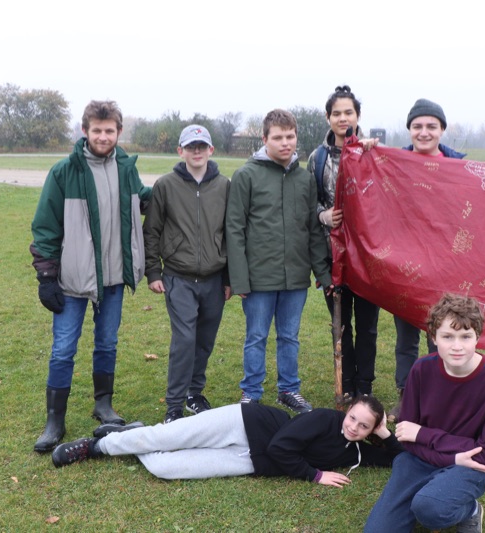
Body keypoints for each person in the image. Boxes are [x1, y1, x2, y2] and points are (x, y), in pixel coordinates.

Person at [29, 100, 152, 453]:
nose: (103, 136)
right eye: (96, 130)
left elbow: (142, 200)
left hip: (112, 278)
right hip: (73, 280)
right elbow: (46, 226)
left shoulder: (126, 168)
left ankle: (104, 405)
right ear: (84, 131)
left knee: (107, 343)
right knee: (63, 348)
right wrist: (46, 277)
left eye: (109, 130)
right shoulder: (64, 172)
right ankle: (55, 420)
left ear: (119, 132)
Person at [364, 293, 485, 533]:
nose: (457, 346)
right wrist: (453, 455)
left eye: (466, 336)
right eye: (447, 336)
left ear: (478, 337)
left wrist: (423, 434)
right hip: (420, 460)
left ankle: (470, 511)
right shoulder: (421, 369)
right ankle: (427, 493)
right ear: (433, 337)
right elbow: (405, 438)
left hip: (470, 466)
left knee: (430, 509)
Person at [226, 109, 332, 413]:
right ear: (265, 139)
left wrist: (322, 272)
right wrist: (239, 278)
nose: (285, 143)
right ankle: (251, 392)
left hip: (295, 277)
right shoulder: (247, 175)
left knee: (290, 337)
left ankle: (289, 388)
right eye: (278, 137)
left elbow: (312, 228)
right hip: (258, 277)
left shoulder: (304, 178)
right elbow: (234, 228)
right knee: (256, 337)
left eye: (290, 136)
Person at [51, 395, 403, 486]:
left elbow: (393, 459)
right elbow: (282, 447)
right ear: (346, 412)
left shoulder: (355, 452)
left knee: (166, 467)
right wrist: (314, 475)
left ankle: (133, 434)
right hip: (244, 424)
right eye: (352, 418)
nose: (353, 427)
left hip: (251, 461)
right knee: (167, 436)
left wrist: (385, 433)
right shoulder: (325, 418)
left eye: (364, 426)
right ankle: (96, 447)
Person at [144, 124, 231, 425]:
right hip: (178, 278)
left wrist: (230, 278)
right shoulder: (166, 185)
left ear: (211, 150)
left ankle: (195, 393)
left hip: (213, 279)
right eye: (190, 146)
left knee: (205, 340)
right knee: (184, 340)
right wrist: (153, 270)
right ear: (180, 151)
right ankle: (174, 405)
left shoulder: (224, 185)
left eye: (202, 146)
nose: (197, 151)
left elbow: (231, 234)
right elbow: (152, 230)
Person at [389, 98, 467, 421]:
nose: (424, 132)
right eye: (417, 126)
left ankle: (441, 400)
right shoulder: (396, 162)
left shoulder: (459, 168)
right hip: (406, 268)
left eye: (431, 126)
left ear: (442, 130)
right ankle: (407, 398)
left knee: (442, 337)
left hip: (445, 268)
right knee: (406, 339)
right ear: (409, 130)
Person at [308, 85, 381, 399]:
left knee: (367, 327)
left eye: (348, 112)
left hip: (368, 258)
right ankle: (346, 385)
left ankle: (364, 386)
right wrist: (324, 216)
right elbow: (308, 201)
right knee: (341, 325)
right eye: (336, 113)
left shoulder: (373, 152)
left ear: (358, 115)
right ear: (327, 117)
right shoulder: (318, 157)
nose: (342, 118)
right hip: (332, 257)